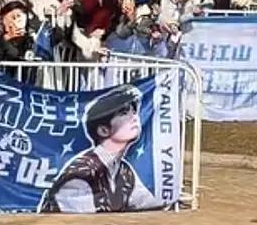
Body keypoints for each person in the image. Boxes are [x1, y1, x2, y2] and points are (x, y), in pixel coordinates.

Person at [38, 84, 163, 213]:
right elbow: (80, 221)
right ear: (103, 130)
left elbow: (148, 203)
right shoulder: (82, 174)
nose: (134, 118)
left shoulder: (124, 172)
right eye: (124, 113)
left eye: (134, 112)